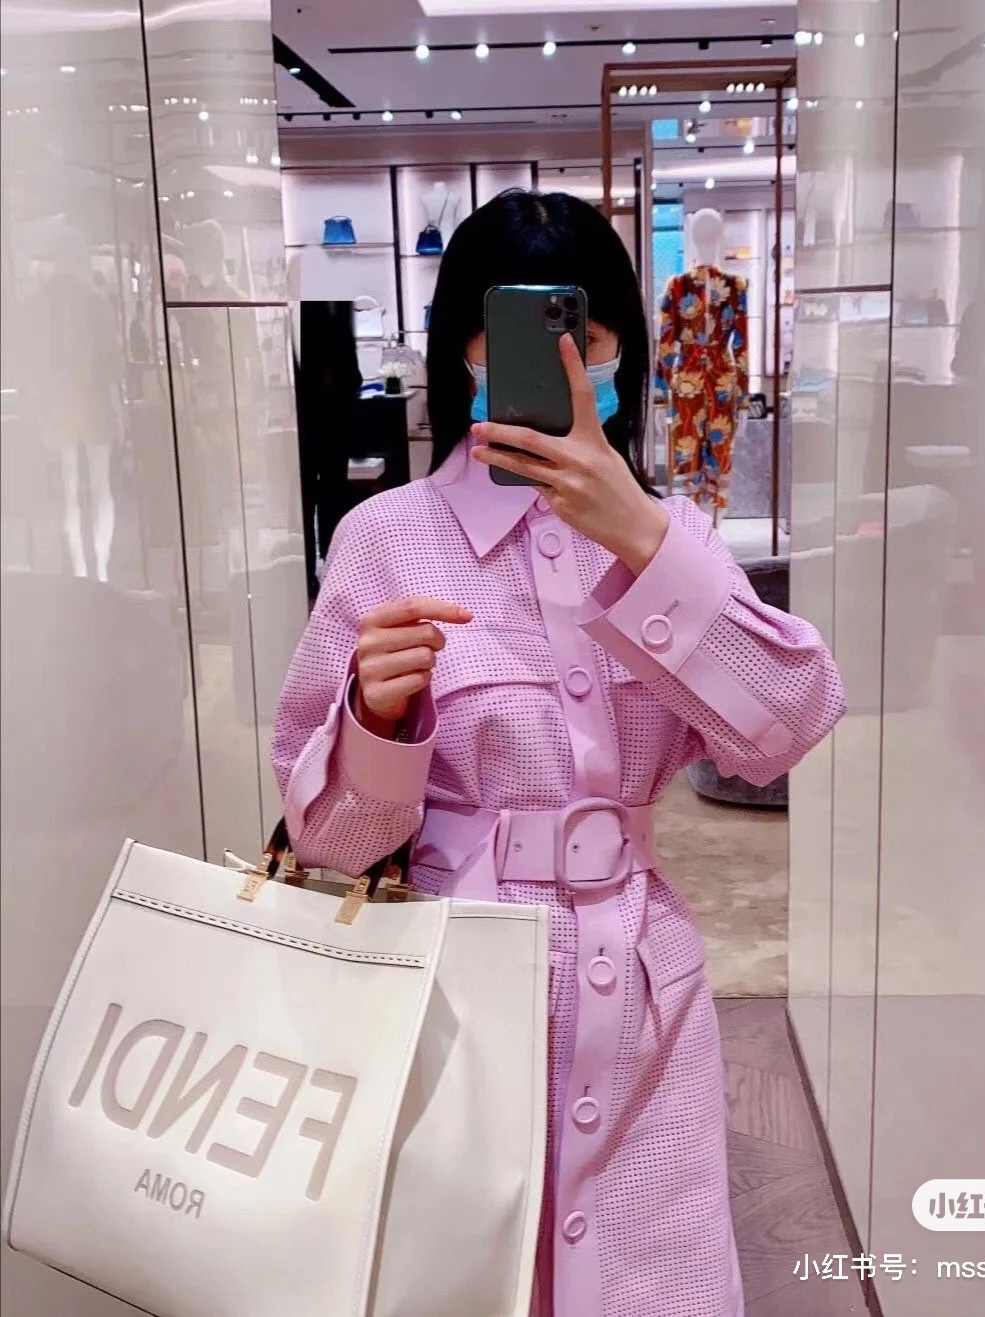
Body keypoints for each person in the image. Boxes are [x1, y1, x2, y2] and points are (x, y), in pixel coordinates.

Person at [272, 190, 845, 1317]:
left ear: (621, 347)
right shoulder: (385, 539)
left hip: (642, 1001)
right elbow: (331, 843)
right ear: (464, 351)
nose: (561, 367)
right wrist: (377, 725)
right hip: (446, 1005)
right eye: (522, 338)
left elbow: (785, 729)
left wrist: (639, 535)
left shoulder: (672, 535)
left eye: (585, 337)